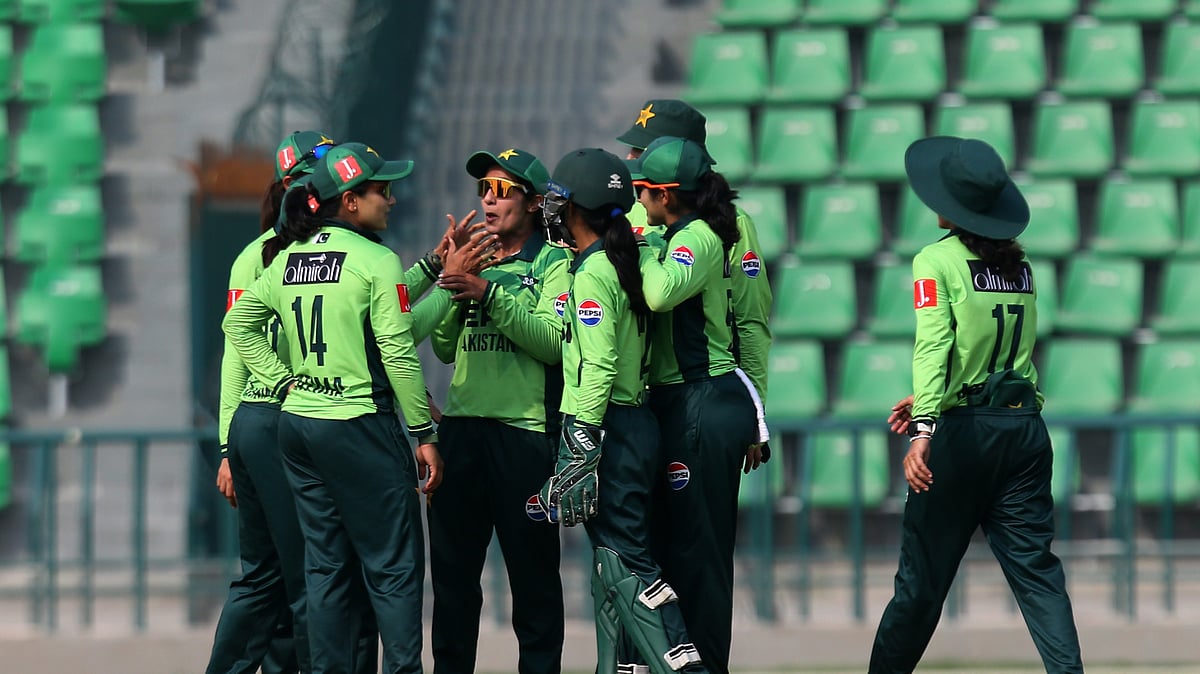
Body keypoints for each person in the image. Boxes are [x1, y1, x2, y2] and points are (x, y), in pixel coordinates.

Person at [223, 142, 442, 674]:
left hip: (299, 425)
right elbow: (395, 348)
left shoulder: (289, 257)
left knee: (323, 568)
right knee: (392, 568)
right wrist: (422, 432)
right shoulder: (377, 259)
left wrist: (284, 380)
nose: (391, 199)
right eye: (380, 190)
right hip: (359, 424)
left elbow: (238, 326)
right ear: (349, 201)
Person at [869, 137, 1084, 673]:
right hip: (1023, 431)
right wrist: (930, 395)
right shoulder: (1021, 266)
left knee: (919, 588)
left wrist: (924, 427)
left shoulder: (934, 260)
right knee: (1039, 578)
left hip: (964, 438)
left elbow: (935, 344)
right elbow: (996, 351)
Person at [535, 147, 703, 674]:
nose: (550, 211)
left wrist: (580, 440)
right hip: (635, 424)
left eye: (558, 202)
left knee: (624, 562)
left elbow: (599, 364)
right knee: (610, 572)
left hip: (611, 427)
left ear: (578, 209)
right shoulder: (622, 256)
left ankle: (684, 666)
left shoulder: (591, 273)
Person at [426, 147, 569, 674]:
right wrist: (451, 280)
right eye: (483, 189)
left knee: (533, 586)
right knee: (454, 585)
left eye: (502, 190)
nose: (488, 199)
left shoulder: (554, 263)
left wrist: (487, 294)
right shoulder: (474, 259)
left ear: (532, 204)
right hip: (462, 434)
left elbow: (554, 343)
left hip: (523, 436)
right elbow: (444, 346)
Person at [630, 136, 758, 674]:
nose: (636, 199)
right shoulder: (675, 231)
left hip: (702, 396)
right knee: (671, 552)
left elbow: (658, 295)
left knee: (700, 560)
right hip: (678, 401)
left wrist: (630, 244)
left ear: (666, 195)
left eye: (642, 190)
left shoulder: (700, 236)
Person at [208, 130, 335, 674]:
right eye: (317, 173)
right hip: (279, 423)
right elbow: (235, 350)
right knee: (298, 571)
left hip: (277, 425)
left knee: (273, 573)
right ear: (292, 184)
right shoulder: (257, 257)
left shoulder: (320, 250)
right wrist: (226, 446)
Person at [616, 99, 772, 460]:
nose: (628, 157)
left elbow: (749, 320)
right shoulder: (622, 213)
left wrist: (754, 412)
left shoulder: (726, 222)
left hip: (696, 390)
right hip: (635, 401)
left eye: (641, 150)